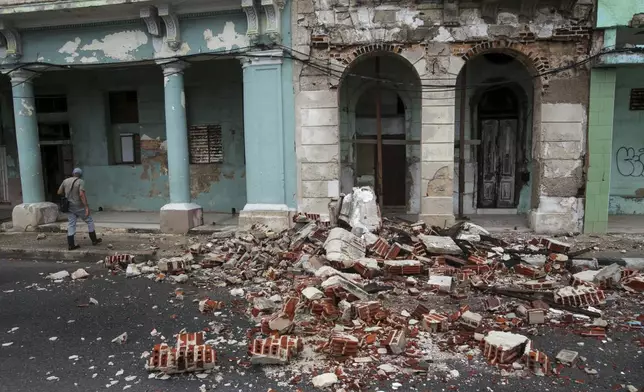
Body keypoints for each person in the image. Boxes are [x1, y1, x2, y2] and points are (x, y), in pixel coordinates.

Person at [57, 168, 102, 250]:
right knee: (89, 220)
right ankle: (94, 240)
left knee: (71, 224)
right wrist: (86, 206)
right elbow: (81, 194)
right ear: (80, 174)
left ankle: (71, 244)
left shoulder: (65, 181)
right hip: (78, 206)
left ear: (72, 173)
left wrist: (67, 194)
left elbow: (59, 192)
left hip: (69, 206)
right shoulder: (80, 181)